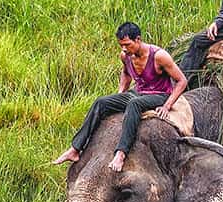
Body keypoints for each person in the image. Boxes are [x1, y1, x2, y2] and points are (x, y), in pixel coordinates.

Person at [53, 21, 187, 173]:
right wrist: (120, 93)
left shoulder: (159, 56)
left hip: (159, 94)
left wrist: (167, 105)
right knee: (101, 102)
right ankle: (75, 149)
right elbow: (125, 73)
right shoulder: (126, 56)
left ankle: (121, 153)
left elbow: (182, 80)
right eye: (121, 45)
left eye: (128, 44)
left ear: (138, 39)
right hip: (138, 92)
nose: (124, 48)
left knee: (134, 104)